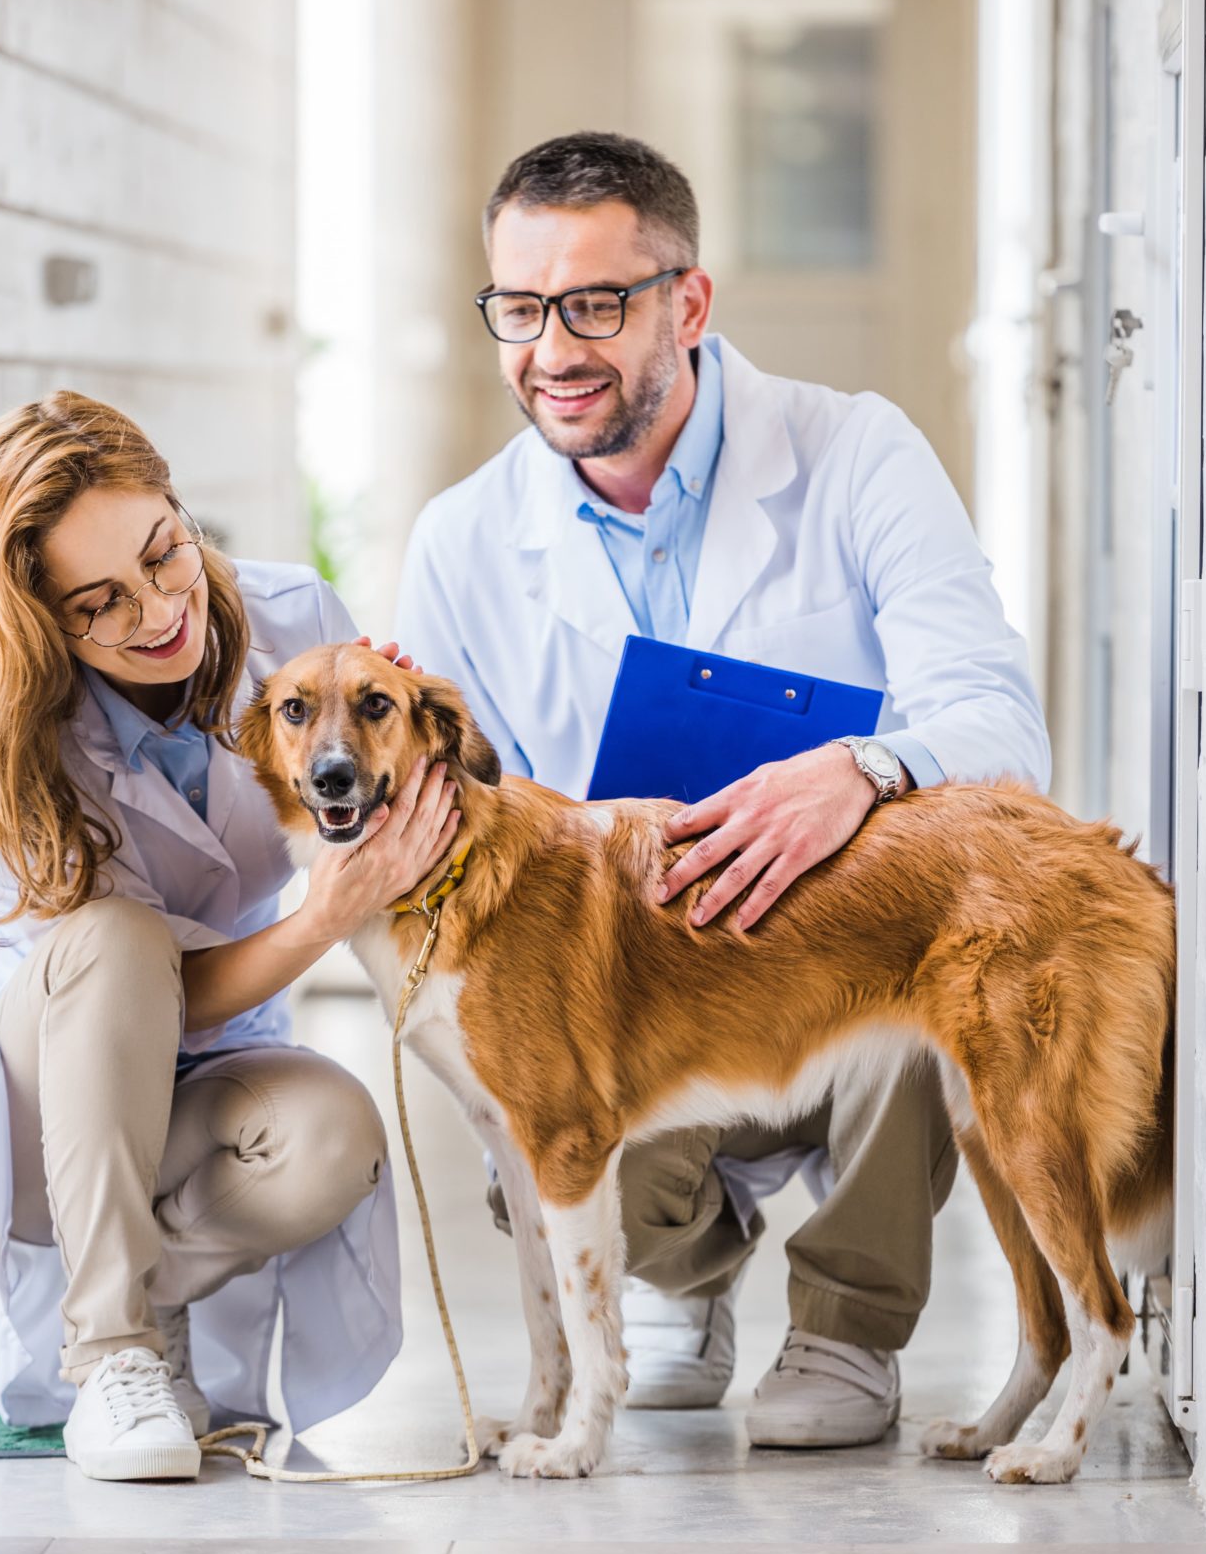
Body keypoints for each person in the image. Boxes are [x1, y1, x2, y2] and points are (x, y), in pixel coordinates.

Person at [396, 131, 1050, 1448]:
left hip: (836, 978)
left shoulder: (856, 454)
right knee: (535, 1037)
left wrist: (859, 771)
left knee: (932, 955)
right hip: (639, 1006)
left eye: (594, 302)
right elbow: (442, 822)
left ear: (686, 302)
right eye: (517, 309)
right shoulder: (462, 542)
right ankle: (674, 1282)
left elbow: (999, 728)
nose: (551, 348)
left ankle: (845, 1323)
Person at [0, 394, 459, 1481]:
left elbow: (377, 806)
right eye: (100, 602)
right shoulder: (15, 734)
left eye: (164, 553)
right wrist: (324, 917)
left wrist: (391, 726)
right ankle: (109, 1355)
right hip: (35, 1091)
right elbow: (148, 981)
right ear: (39, 620)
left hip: (206, 1072)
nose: (157, 612)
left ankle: (144, 1297)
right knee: (114, 939)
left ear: (178, 507)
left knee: (332, 1135)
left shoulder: (293, 619)